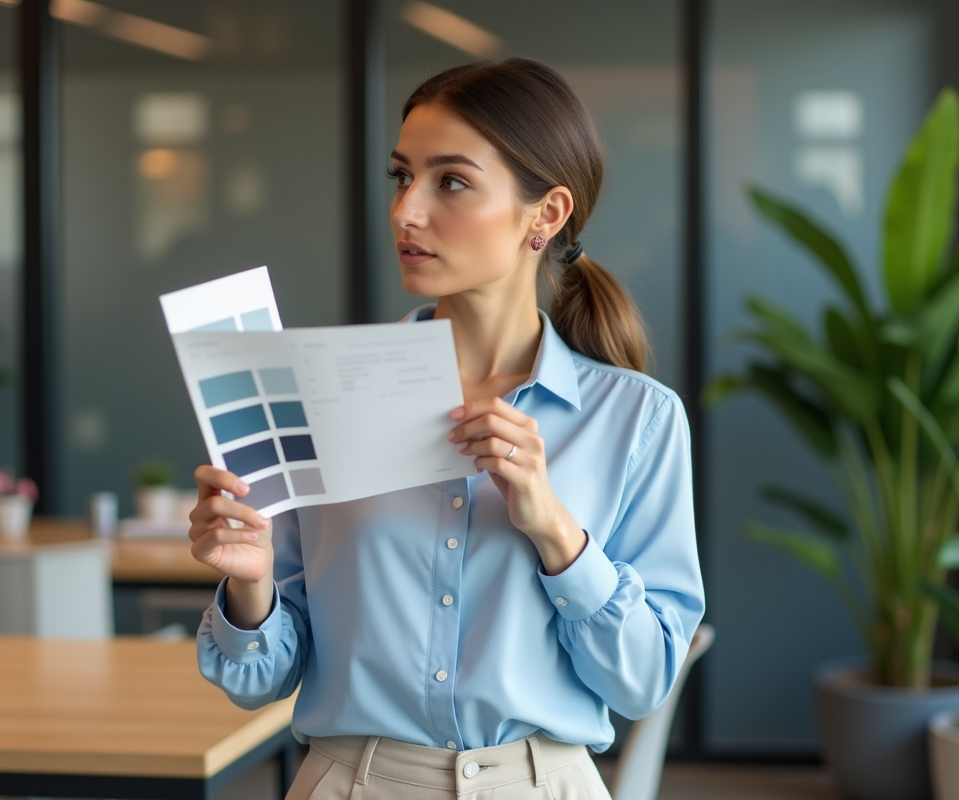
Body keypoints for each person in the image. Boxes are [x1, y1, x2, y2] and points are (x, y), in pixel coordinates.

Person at [189, 56, 705, 800]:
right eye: (402, 176)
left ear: (547, 214)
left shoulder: (638, 419)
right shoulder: (315, 395)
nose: (406, 211)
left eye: (451, 181)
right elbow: (260, 677)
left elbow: (644, 681)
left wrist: (556, 531)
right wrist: (252, 586)